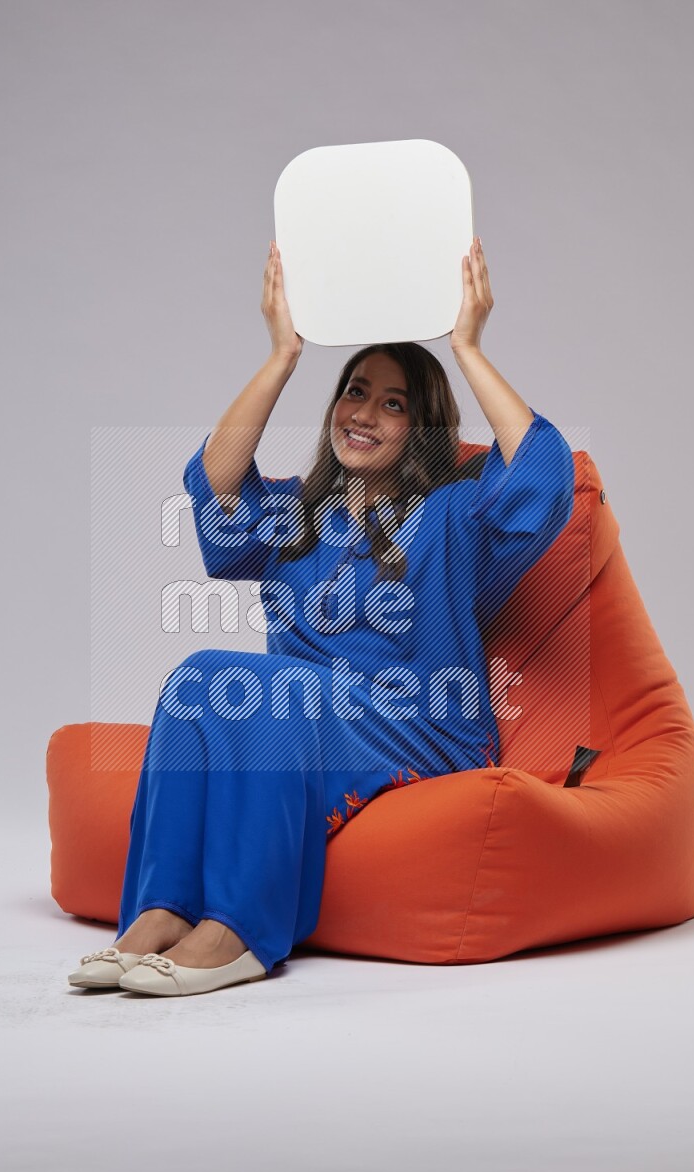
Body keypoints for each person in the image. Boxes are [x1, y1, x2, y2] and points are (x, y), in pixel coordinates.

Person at [67, 236, 575, 997]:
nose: (364, 413)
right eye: (355, 391)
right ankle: (160, 910)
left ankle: (242, 930)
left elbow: (541, 472)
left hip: (425, 723)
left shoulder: (455, 512)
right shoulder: (298, 517)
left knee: (270, 689)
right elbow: (214, 480)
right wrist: (282, 356)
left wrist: (466, 344)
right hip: (304, 716)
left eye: (393, 403)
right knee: (196, 678)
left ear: (421, 427)